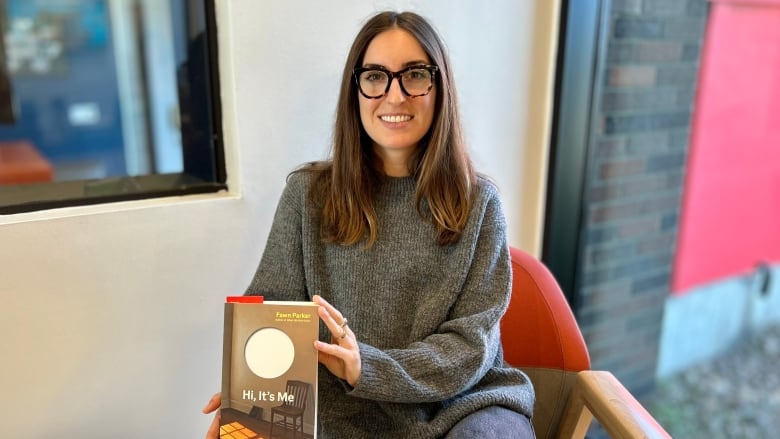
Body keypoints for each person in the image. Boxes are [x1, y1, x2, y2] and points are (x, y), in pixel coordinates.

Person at [204, 10, 535, 438]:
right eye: (375, 76)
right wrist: (249, 401)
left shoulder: (479, 204)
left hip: (462, 407)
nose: (394, 96)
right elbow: (272, 319)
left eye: (415, 75)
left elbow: (470, 347)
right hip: (344, 416)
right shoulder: (308, 196)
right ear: (355, 90)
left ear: (440, 88)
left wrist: (369, 366)